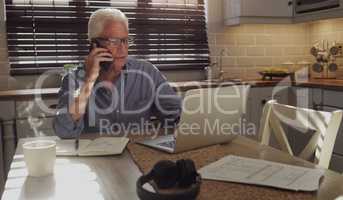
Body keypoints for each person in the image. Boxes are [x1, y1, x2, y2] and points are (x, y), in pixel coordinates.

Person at [53, 8, 182, 138]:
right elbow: (63, 130)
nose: (123, 49)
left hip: (139, 152)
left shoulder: (147, 71)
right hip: (96, 155)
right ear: (94, 45)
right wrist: (89, 80)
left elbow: (176, 115)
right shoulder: (73, 79)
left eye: (125, 41)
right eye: (114, 41)